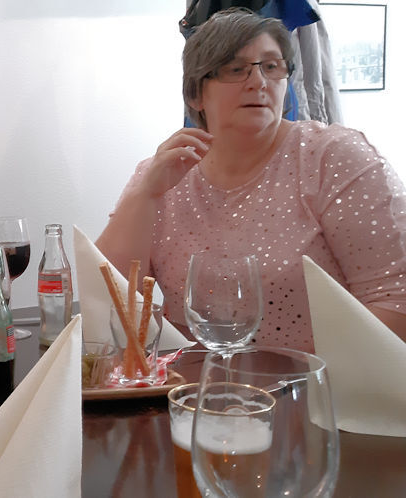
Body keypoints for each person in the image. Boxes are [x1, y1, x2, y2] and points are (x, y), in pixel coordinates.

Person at [97, 8, 406, 352]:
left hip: (319, 380)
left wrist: (311, 377)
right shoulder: (162, 172)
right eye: (235, 69)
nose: (258, 82)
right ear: (195, 94)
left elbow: (395, 299)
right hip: (194, 381)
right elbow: (109, 302)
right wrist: (144, 195)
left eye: (271, 67)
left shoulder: (334, 158)